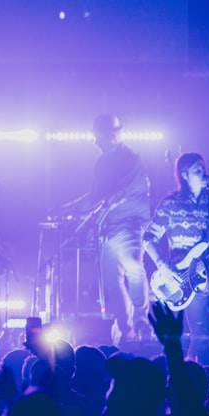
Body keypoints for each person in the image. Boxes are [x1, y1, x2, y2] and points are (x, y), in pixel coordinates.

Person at [56, 114, 150, 344]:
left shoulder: (131, 159)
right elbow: (94, 198)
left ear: (112, 135)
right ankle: (125, 327)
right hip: (109, 229)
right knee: (111, 281)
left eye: (98, 137)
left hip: (130, 224)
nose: (95, 142)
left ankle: (141, 323)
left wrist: (114, 199)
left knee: (134, 268)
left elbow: (130, 189)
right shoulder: (101, 164)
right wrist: (66, 208)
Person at [143, 152, 209, 363]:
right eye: (197, 170)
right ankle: (195, 378)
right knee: (203, 334)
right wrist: (163, 265)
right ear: (184, 175)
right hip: (188, 279)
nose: (204, 174)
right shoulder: (171, 204)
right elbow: (148, 238)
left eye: (204, 169)